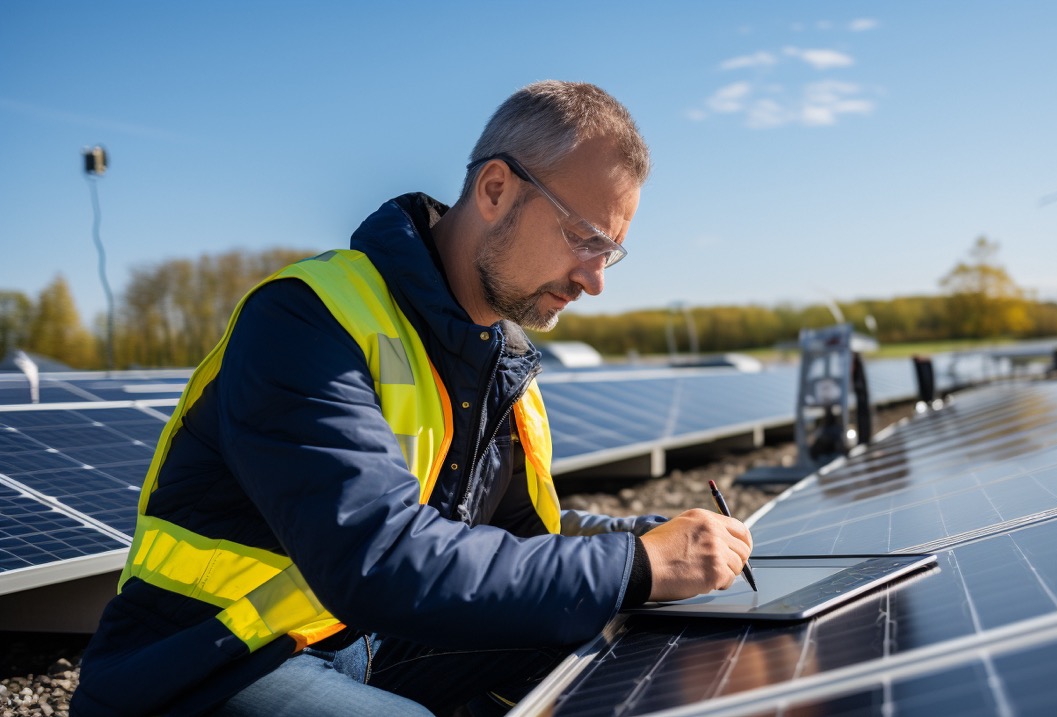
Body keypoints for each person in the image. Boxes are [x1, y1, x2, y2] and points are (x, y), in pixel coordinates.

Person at [72, 81, 753, 716]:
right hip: (204, 662)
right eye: (585, 239)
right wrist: (639, 564)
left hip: (363, 646)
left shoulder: (498, 359)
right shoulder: (308, 320)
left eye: (611, 253)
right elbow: (381, 558)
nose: (594, 281)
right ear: (494, 189)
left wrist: (648, 537)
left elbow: (515, 543)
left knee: (603, 650)